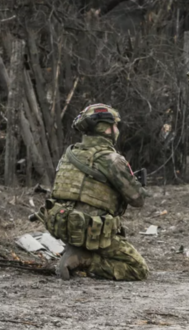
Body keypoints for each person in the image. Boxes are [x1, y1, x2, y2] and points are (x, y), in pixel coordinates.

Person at [37, 104, 149, 281]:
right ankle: (84, 259)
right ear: (106, 129)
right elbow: (137, 200)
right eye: (114, 125)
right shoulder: (111, 159)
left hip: (64, 225)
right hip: (91, 230)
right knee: (137, 268)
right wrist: (137, 184)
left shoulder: (70, 154)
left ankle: (77, 250)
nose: (117, 130)